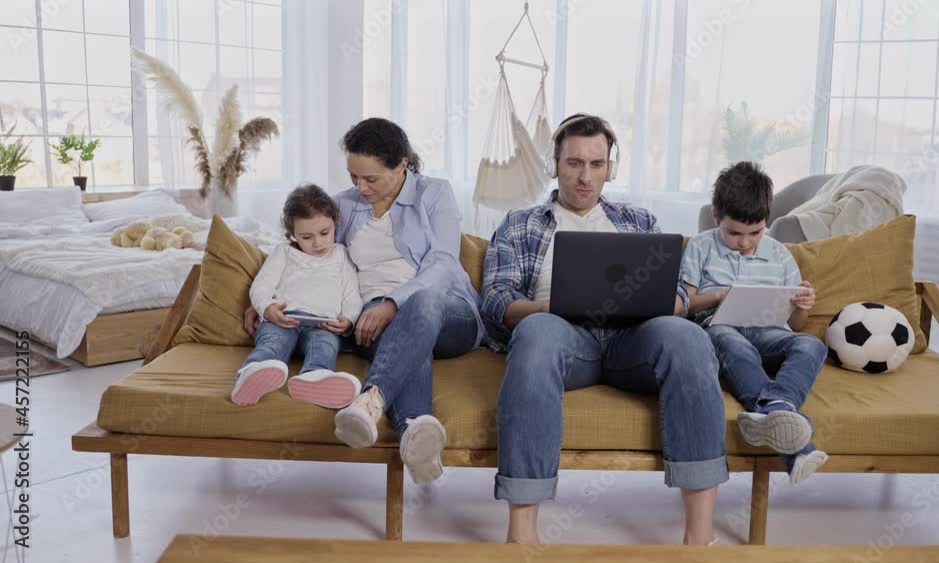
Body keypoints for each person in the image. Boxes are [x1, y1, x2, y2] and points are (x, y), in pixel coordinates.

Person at [480, 113, 728, 546]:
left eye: (597, 165)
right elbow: (496, 299)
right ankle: (522, 538)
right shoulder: (520, 224)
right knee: (537, 334)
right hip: (562, 337)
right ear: (555, 164)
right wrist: (546, 308)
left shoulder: (639, 221)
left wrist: (671, 301)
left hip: (632, 341)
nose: (585, 177)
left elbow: (677, 294)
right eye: (575, 163)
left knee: (689, 338)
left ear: (609, 166)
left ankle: (699, 540)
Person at [246, 118, 483, 484]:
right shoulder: (344, 205)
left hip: (447, 311)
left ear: (402, 164)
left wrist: (392, 303)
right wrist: (265, 298)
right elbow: (309, 252)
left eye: (371, 178)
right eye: (354, 177)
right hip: (372, 318)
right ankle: (414, 433)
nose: (360, 187)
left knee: (419, 305)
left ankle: (369, 402)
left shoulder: (434, 193)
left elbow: (443, 263)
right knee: (405, 336)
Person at [682, 161, 829, 484]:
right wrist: (719, 297)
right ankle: (797, 444)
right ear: (716, 217)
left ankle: (774, 408)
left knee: (812, 344)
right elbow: (683, 306)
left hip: (770, 334)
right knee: (730, 339)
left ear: (767, 222)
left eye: (755, 232)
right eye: (734, 233)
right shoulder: (700, 247)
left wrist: (803, 304)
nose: (745, 242)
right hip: (720, 331)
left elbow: (799, 325)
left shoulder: (779, 255)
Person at [232, 183, 363, 408]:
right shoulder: (284, 252)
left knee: (324, 348)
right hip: (283, 319)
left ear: (335, 223)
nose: (318, 243)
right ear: (292, 234)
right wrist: (267, 309)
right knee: (273, 345)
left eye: (324, 233)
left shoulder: (342, 255)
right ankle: (251, 375)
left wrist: (348, 319)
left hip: (324, 325)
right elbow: (261, 285)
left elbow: (352, 294)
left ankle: (314, 379)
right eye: (306, 237)